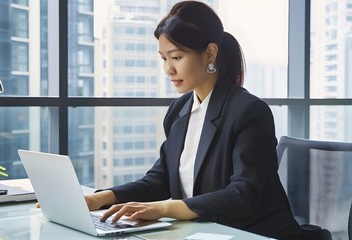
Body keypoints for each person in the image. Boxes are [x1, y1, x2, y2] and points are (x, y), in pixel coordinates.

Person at [82, 1, 301, 239]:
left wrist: (163, 209)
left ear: (209, 53)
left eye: (176, 57)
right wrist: (100, 198)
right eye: (163, 58)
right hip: (204, 232)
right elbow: (160, 179)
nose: (168, 69)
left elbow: (243, 194)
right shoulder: (179, 111)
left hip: (254, 232)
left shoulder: (249, 111)